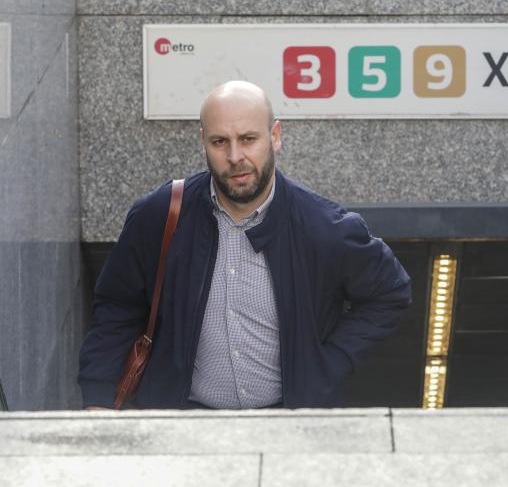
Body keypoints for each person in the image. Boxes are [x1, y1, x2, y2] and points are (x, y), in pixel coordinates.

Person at [78, 81, 412, 409]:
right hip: (179, 425)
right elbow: (118, 307)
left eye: (248, 139)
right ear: (203, 142)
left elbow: (390, 293)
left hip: (288, 426)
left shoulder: (324, 227)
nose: (235, 156)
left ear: (275, 136)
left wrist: (327, 364)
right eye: (220, 141)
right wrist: (98, 399)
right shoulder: (159, 215)